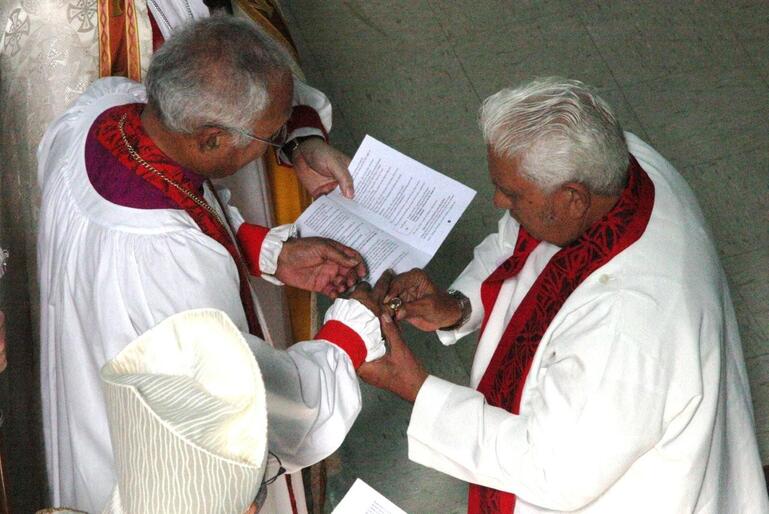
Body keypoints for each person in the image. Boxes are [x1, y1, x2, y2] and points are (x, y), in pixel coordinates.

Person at [360, 78, 769, 513]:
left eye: (512, 194)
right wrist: (458, 306)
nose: (498, 200)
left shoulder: (627, 330)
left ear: (573, 199)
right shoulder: (614, 164)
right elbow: (515, 244)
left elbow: (551, 471)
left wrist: (418, 390)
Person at [37, 17, 385, 514]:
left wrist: (270, 252)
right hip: (153, 477)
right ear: (211, 139)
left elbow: (178, 212)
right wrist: (351, 331)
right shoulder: (170, 262)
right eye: (265, 139)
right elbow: (247, 408)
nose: (268, 149)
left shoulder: (103, 108)